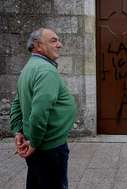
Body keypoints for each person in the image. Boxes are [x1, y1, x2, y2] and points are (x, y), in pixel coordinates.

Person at [10, 28, 77, 189]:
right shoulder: (46, 71)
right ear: (37, 45)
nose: (59, 44)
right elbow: (39, 113)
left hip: (38, 144)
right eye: (53, 40)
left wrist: (17, 131)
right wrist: (35, 143)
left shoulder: (29, 68)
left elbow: (17, 103)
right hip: (49, 147)